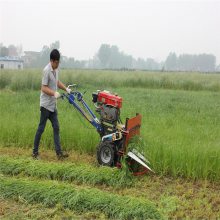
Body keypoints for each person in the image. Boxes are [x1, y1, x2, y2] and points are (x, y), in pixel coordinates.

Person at [32, 49, 71, 160]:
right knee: (41, 128)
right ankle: (34, 152)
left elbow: (57, 82)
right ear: (52, 61)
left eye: (59, 62)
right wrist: (54, 93)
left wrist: (66, 89)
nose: (58, 64)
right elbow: (43, 88)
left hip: (53, 105)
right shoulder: (46, 70)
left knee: (56, 127)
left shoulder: (56, 69)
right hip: (45, 105)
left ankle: (59, 153)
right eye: (56, 62)